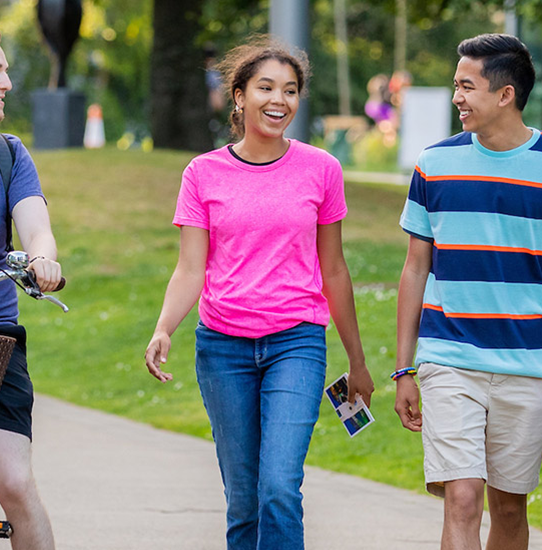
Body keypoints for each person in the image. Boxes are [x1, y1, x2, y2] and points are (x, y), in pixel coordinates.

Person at [144, 36, 374, 550]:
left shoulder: (321, 169)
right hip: (223, 348)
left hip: (297, 343)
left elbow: (333, 270)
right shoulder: (202, 174)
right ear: (240, 96)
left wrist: (357, 360)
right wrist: (164, 327)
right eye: (266, 87)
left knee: (278, 488)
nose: (279, 100)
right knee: (244, 497)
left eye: (290, 91)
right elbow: (189, 268)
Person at [393, 33, 542, 550]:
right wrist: (404, 368)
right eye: (455, 85)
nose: (456, 98)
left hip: (528, 365)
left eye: (466, 87)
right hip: (450, 357)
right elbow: (414, 268)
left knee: (509, 508)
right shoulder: (433, 164)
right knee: (462, 497)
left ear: (505, 94)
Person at [0, 23, 62, 550]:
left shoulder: (6, 154)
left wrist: (41, 259)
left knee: (15, 485)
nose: (7, 82)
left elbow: (36, 228)